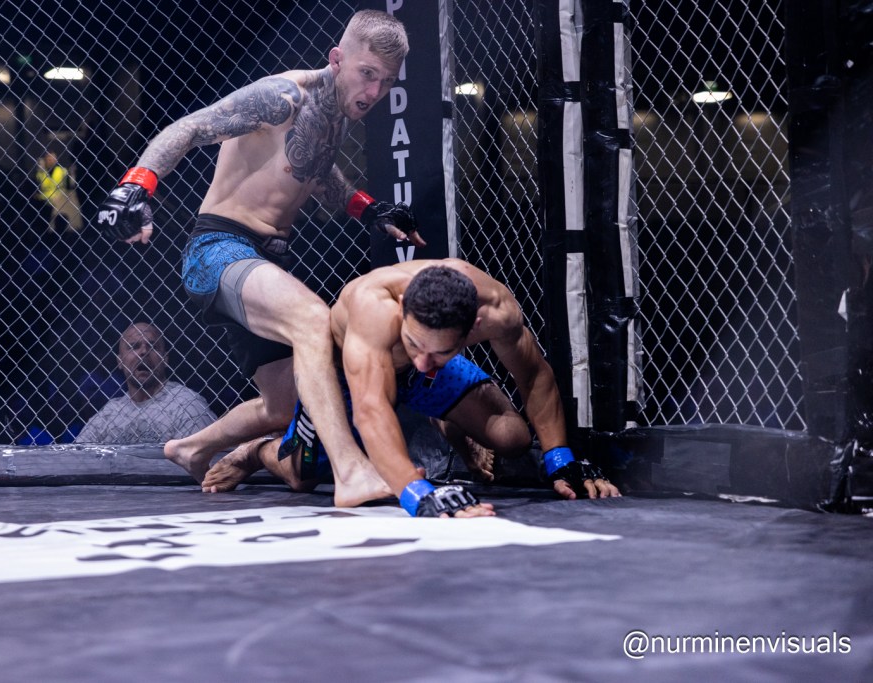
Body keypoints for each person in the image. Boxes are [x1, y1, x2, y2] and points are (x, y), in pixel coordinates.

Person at [93, 10, 423, 505]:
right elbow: (191, 127)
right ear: (337, 59)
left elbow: (316, 172)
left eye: (386, 81)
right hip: (217, 250)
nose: (374, 91)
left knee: (283, 405)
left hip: (262, 260)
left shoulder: (337, 115)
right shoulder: (283, 96)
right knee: (313, 319)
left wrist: (368, 208)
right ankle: (351, 472)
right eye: (367, 73)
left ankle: (190, 448)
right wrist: (135, 186)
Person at [202, 260, 622, 517]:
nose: (423, 360)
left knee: (513, 439)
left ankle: (449, 420)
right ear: (403, 309)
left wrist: (561, 462)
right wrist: (418, 493)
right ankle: (257, 451)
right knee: (301, 477)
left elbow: (534, 375)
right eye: (414, 343)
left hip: (429, 376)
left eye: (440, 350)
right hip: (354, 376)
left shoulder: (497, 310)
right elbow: (372, 407)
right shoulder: (373, 307)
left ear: (473, 327)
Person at [75, 322, 217, 443]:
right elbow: (76, 457)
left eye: (152, 346)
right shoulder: (110, 413)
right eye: (134, 346)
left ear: (165, 359)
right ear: (120, 361)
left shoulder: (187, 404)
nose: (144, 351)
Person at [36, 150, 83, 233]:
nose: (51, 161)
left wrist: (72, 175)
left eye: (53, 158)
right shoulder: (41, 173)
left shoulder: (62, 171)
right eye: (49, 159)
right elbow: (38, 189)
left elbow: (69, 186)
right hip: (44, 202)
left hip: (59, 200)